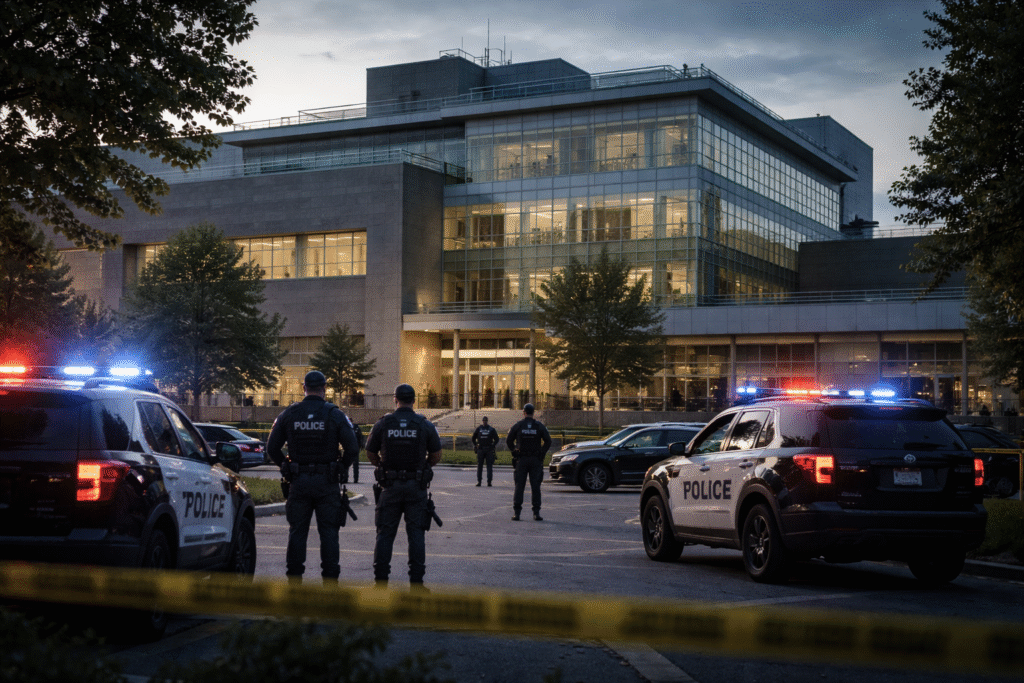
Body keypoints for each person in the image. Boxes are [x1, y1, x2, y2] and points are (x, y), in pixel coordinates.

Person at [267, 370, 359, 583]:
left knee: (297, 532)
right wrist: (341, 467)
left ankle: (294, 583)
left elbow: (272, 447)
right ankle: (329, 583)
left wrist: (285, 466)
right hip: (327, 482)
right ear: (325, 388)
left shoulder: (290, 414)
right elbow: (352, 448)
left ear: (303, 388)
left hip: (298, 482)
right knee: (329, 533)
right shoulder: (334, 414)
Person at [365, 383, 442, 586]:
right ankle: (416, 583)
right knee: (416, 535)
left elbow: (370, 452)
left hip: (389, 486)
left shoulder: (383, 423)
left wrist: (382, 465)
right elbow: (436, 455)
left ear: (395, 399)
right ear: (414, 400)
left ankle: (380, 583)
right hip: (415, 487)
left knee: (384, 534)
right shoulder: (424, 424)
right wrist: (423, 466)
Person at [506, 403, 552, 521]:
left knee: (519, 486)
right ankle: (536, 513)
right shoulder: (538, 426)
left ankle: (517, 513)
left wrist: (514, 450)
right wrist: (542, 453)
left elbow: (508, 440)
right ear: (533, 412)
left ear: (524, 412)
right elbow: (548, 441)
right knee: (535, 486)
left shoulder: (518, 425)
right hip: (535, 459)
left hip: (522, 459)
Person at [472, 415, 499, 486]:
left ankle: (488, 482)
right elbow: (473, 438)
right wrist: (476, 445)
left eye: (485, 421)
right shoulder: (482, 429)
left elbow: (497, 439)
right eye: (484, 421)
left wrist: (492, 446)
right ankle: (480, 481)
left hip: (487, 449)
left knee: (488, 466)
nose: (484, 422)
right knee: (481, 466)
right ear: (483, 421)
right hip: (482, 449)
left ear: (487, 421)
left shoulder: (489, 429)